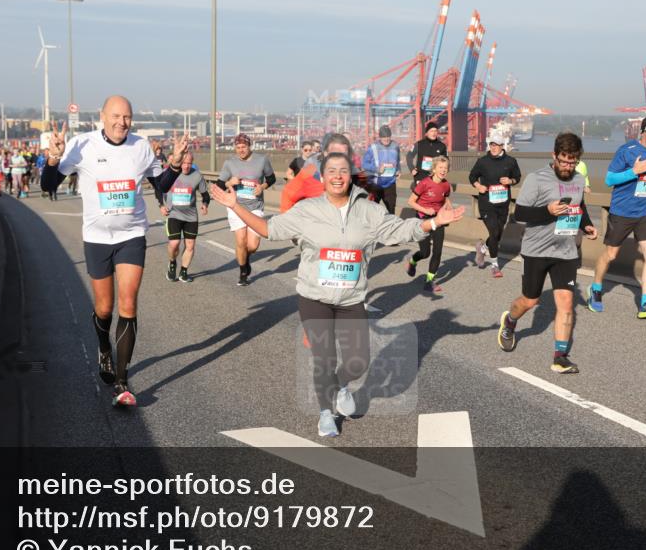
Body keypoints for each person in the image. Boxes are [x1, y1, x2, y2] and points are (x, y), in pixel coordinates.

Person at [208, 152, 464, 437]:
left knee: (358, 361)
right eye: (331, 171)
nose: (338, 176)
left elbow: (399, 230)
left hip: (351, 298)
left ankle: (341, 385)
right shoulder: (307, 210)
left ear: (350, 175)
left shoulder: (368, 210)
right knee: (324, 358)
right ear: (322, 176)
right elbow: (269, 228)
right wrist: (236, 206)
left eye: (343, 171)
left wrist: (435, 223)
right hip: (314, 297)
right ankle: (325, 412)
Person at [44, 95, 187, 407]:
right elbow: (48, 186)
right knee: (104, 308)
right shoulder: (82, 145)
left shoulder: (141, 147)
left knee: (128, 303)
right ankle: (104, 349)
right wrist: (53, 159)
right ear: (103, 116)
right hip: (96, 238)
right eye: (117, 116)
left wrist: (174, 164)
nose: (122, 122)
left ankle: (122, 382)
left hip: (132, 234)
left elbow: (160, 183)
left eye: (128, 117)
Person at [497, 132, 597, 374]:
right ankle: (510, 321)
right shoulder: (536, 179)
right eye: (564, 161)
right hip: (536, 250)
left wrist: (586, 224)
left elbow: (578, 206)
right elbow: (519, 214)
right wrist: (548, 212)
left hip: (566, 250)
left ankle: (560, 356)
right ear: (554, 155)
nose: (567, 166)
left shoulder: (579, 180)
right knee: (530, 301)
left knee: (566, 303)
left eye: (572, 162)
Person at [587, 115, 646, 318]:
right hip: (622, 211)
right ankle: (596, 288)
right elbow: (610, 179)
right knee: (611, 254)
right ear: (642, 133)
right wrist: (633, 172)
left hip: (645, 211)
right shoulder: (626, 151)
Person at [215, 133, 276, 286]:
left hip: (255, 207)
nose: (241, 150)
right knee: (241, 241)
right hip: (236, 206)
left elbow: (271, 178)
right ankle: (243, 271)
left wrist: (262, 187)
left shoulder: (262, 160)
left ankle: (245, 258)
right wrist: (230, 182)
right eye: (238, 147)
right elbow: (220, 185)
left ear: (249, 146)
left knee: (253, 246)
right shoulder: (230, 163)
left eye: (243, 147)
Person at [468, 128, 521, 277]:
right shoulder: (483, 161)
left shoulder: (510, 161)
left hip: (503, 204)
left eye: (497, 145)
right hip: (486, 203)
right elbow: (472, 176)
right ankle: (495, 265)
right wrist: (478, 186)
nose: (494, 147)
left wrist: (510, 180)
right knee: (494, 231)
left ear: (502, 146)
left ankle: (483, 248)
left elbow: (518, 177)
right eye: (491, 144)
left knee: (498, 235)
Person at [154, 150, 209, 283]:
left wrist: (205, 204)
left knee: (190, 245)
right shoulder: (170, 174)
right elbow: (158, 190)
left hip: (191, 216)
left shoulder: (197, 176)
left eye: (189, 163)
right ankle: (172, 262)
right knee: (174, 244)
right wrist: (161, 205)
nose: (186, 166)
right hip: (173, 214)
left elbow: (205, 194)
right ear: (179, 162)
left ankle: (184, 272)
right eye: (184, 163)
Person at [406, 155, 453, 294]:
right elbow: (411, 201)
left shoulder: (446, 185)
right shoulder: (425, 183)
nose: (443, 170)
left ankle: (429, 281)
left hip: (438, 220)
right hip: (423, 220)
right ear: (434, 168)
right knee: (425, 252)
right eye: (440, 167)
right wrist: (425, 209)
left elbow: (445, 199)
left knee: (437, 252)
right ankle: (413, 260)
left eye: (445, 168)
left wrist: (450, 210)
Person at [361, 125, 401, 214]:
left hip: (390, 183)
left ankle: (391, 227)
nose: (386, 139)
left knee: (391, 210)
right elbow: (364, 164)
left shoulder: (395, 146)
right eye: (384, 137)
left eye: (388, 137)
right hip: (376, 183)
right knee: (373, 211)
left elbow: (397, 160)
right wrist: (377, 169)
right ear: (380, 137)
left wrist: (398, 170)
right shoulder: (373, 147)